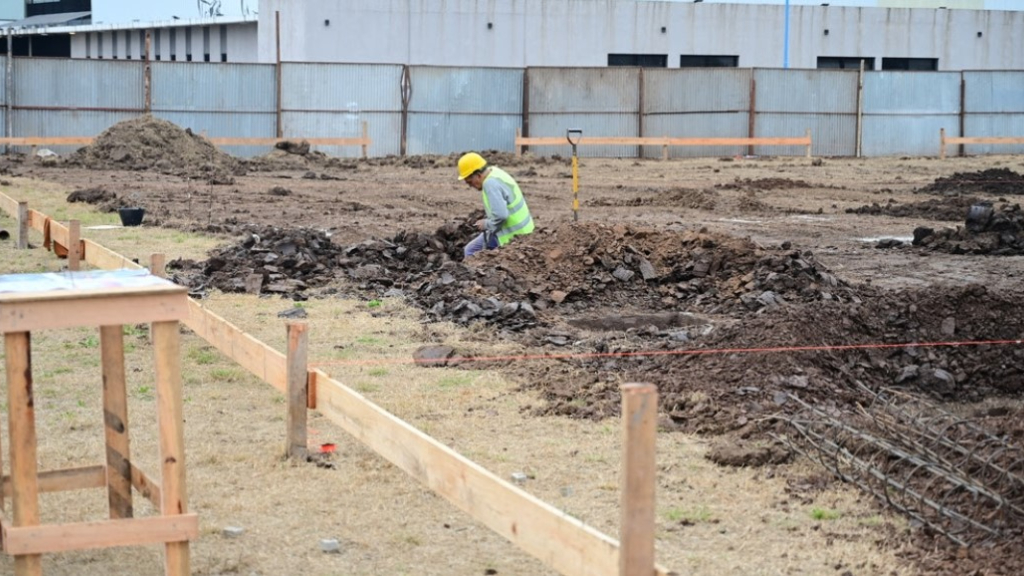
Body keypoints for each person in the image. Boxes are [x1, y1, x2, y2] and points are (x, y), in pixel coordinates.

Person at [457, 152, 535, 258]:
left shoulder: (490, 184)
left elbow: (501, 216)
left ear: (478, 175)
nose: (471, 186)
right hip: (526, 229)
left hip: (512, 234)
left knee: (470, 251)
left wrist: (486, 224)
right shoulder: (495, 171)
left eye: (470, 182)